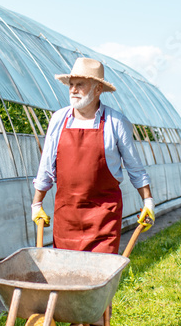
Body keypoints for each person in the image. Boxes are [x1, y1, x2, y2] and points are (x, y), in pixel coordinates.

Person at [31, 57, 155, 254]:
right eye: (71, 84)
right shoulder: (58, 119)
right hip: (67, 219)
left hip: (103, 221)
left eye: (80, 85)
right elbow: (46, 166)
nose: (73, 90)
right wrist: (37, 203)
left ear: (98, 89)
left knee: (98, 275)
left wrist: (148, 202)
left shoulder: (116, 122)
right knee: (65, 277)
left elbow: (135, 169)